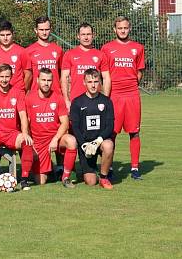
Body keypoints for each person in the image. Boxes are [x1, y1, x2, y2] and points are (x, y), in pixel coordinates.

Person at [101, 16, 145, 180]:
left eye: (125, 28)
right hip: (115, 95)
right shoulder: (107, 48)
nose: (123, 31)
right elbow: (104, 74)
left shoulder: (138, 48)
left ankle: (134, 168)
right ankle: (109, 167)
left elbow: (139, 71)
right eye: (120, 28)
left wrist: (131, 84)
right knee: (111, 133)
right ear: (114, 29)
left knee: (134, 132)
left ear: (130, 28)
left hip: (132, 95)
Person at [0, 64, 34, 191]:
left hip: (12, 134)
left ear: (11, 77)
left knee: (26, 143)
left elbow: (23, 115)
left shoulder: (18, 92)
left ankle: (24, 180)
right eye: (2, 77)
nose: (4, 80)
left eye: (7, 76)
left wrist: (25, 133)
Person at [25, 68, 77, 188]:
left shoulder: (58, 97)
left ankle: (66, 177)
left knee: (71, 141)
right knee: (41, 181)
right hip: (38, 142)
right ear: (37, 80)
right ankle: (52, 169)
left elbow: (65, 123)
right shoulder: (29, 98)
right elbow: (26, 123)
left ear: (52, 81)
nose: (46, 83)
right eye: (43, 80)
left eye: (49, 80)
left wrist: (55, 138)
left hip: (56, 138)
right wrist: (30, 145)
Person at [69, 68, 115, 189]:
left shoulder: (106, 101)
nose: (93, 85)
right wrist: (84, 144)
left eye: (95, 81)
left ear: (100, 82)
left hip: (99, 142)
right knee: (90, 182)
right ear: (84, 82)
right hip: (86, 144)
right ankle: (90, 169)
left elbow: (110, 126)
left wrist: (98, 141)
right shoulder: (77, 102)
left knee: (109, 145)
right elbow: (75, 127)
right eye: (89, 82)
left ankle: (104, 178)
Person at [60, 23, 111, 110]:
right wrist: (66, 100)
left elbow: (106, 78)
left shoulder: (100, 55)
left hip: (96, 101)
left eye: (88, 34)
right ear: (78, 36)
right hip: (75, 101)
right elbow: (64, 78)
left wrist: (105, 99)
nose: (86, 37)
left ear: (93, 35)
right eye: (83, 34)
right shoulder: (69, 54)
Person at [0, 20, 30, 92]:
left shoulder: (22, 51)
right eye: (2, 35)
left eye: (8, 34)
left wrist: (22, 90)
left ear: (13, 34)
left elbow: (28, 74)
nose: (5, 38)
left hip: (17, 93)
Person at [24, 16, 63, 93]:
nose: (44, 33)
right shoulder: (28, 51)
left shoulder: (58, 50)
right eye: (41, 30)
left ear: (50, 29)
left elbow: (62, 74)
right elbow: (27, 76)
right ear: (36, 30)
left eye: (47, 29)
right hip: (36, 95)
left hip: (55, 94)